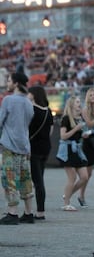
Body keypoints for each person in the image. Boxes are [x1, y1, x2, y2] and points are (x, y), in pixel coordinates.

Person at [0, 73, 34, 225]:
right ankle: (28, 213)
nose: (7, 83)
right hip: (24, 146)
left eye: (9, 80)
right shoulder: (28, 102)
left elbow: (0, 121)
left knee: (9, 179)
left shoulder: (8, 100)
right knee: (25, 179)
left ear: (15, 83)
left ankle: (12, 213)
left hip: (9, 145)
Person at [57, 95, 89, 211]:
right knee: (72, 177)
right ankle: (66, 203)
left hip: (77, 150)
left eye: (79, 101)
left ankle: (67, 194)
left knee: (84, 177)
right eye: (77, 102)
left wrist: (83, 135)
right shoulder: (66, 118)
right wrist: (76, 129)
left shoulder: (80, 118)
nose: (79, 103)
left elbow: (77, 134)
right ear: (71, 104)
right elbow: (63, 136)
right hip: (67, 150)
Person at [27, 86, 54, 220]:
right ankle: (40, 210)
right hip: (45, 148)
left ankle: (40, 211)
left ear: (34, 95)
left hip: (34, 148)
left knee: (37, 182)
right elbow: (50, 131)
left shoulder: (32, 110)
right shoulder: (48, 111)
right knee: (39, 179)